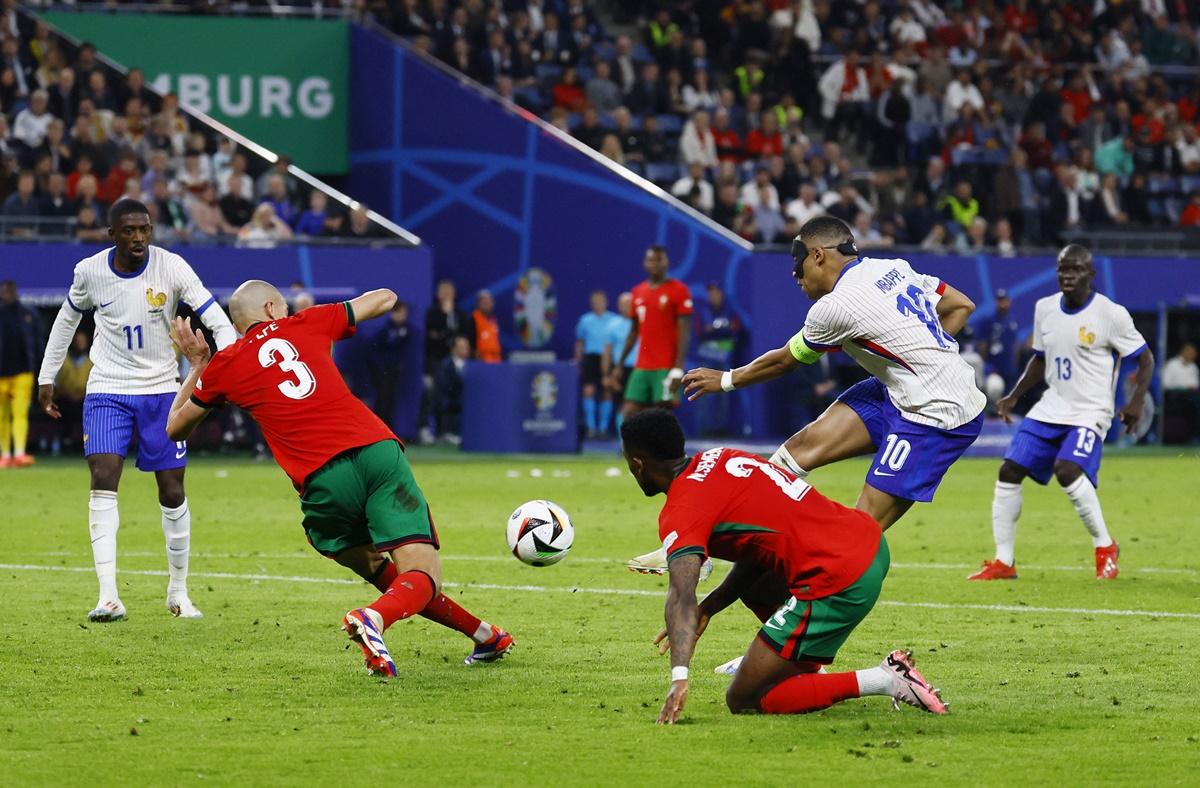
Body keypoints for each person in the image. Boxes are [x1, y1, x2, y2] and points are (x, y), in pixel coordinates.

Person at [165, 282, 514, 675]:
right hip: (374, 452)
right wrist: (316, 314)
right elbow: (386, 298)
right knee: (422, 575)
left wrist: (197, 367)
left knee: (379, 569)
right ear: (271, 307)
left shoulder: (225, 365)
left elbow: (175, 429)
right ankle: (374, 620)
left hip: (322, 484)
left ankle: (486, 636)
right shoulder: (308, 322)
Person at [620, 409, 946, 724]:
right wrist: (711, 607)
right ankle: (802, 669)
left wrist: (679, 677)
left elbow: (681, 596)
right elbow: (758, 555)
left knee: (745, 700)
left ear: (638, 464)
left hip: (838, 577)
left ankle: (885, 679)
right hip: (867, 541)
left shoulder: (681, 510)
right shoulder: (722, 456)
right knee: (758, 587)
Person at [35, 198, 238, 622]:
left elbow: (213, 313)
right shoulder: (89, 272)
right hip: (107, 388)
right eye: (129, 230)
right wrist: (46, 375)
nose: (139, 237)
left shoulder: (172, 267)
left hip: (163, 392)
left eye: (145, 229)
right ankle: (108, 596)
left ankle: (178, 593)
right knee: (103, 478)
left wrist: (235, 355)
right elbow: (65, 322)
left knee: (172, 489)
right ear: (112, 235)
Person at [970, 246, 1154, 581]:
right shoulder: (1045, 309)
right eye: (1062, 269)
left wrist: (1136, 402)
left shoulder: (1110, 314)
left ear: (1090, 274)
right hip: (1050, 407)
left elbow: (1144, 358)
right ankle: (1004, 561)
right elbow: (1041, 359)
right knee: (1009, 471)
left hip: (1089, 412)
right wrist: (1014, 395)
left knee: (1067, 470)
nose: (1068, 276)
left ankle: (1105, 546)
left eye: (1076, 270)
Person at [612, 246, 693, 420]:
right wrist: (619, 364)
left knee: (662, 416)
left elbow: (684, 332)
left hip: (666, 366)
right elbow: (634, 331)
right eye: (651, 260)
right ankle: (630, 448)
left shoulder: (679, 290)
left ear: (667, 262)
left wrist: (678, 368)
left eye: (659, 259)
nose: (655, 264)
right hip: (642, 365)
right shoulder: (637, 292)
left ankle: (666, 448)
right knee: (629, 413)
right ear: (644, 263)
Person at [0, 280, 42, 467]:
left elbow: (37, 343)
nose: (6, 294)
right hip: (1, 374)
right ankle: (5, 455)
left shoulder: (28, 314)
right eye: (4, 291)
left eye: (9, 291)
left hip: (23, 373)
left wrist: (40, 368)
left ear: (15, 292)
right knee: (1, 415)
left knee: (20, 413)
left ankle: (19, 453)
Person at [371, 301, 412, 433]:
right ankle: (377, 430)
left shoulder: (406, 329)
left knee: (391, 401)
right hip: (383, 371)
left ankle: (387, 430)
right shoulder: (385, 330)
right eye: (401, 313)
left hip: (395, 370)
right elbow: (380, 349)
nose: (403, 316)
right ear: (393, 313)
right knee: (382, 400)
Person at [979, 289, 1020, 390]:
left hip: (1010, 367)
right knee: (995, 392)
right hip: (994, 366)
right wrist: (985, 364)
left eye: (1004, 300)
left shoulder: (1012, 320)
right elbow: (982, 344)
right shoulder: (989, 320)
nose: (1002, 303)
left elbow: (1015, 344)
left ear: (1009, 301)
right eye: (1000, 300)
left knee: (1010, 395)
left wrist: (1015, 363)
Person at [470, 290, 501, 363]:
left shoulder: (493, 320)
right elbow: (471, 340)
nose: (486, 303)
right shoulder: (473, 320)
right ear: (478, 304)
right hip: (481, 360)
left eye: (488, 301)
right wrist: (475, 355)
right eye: (483, 302)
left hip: (496, 359)